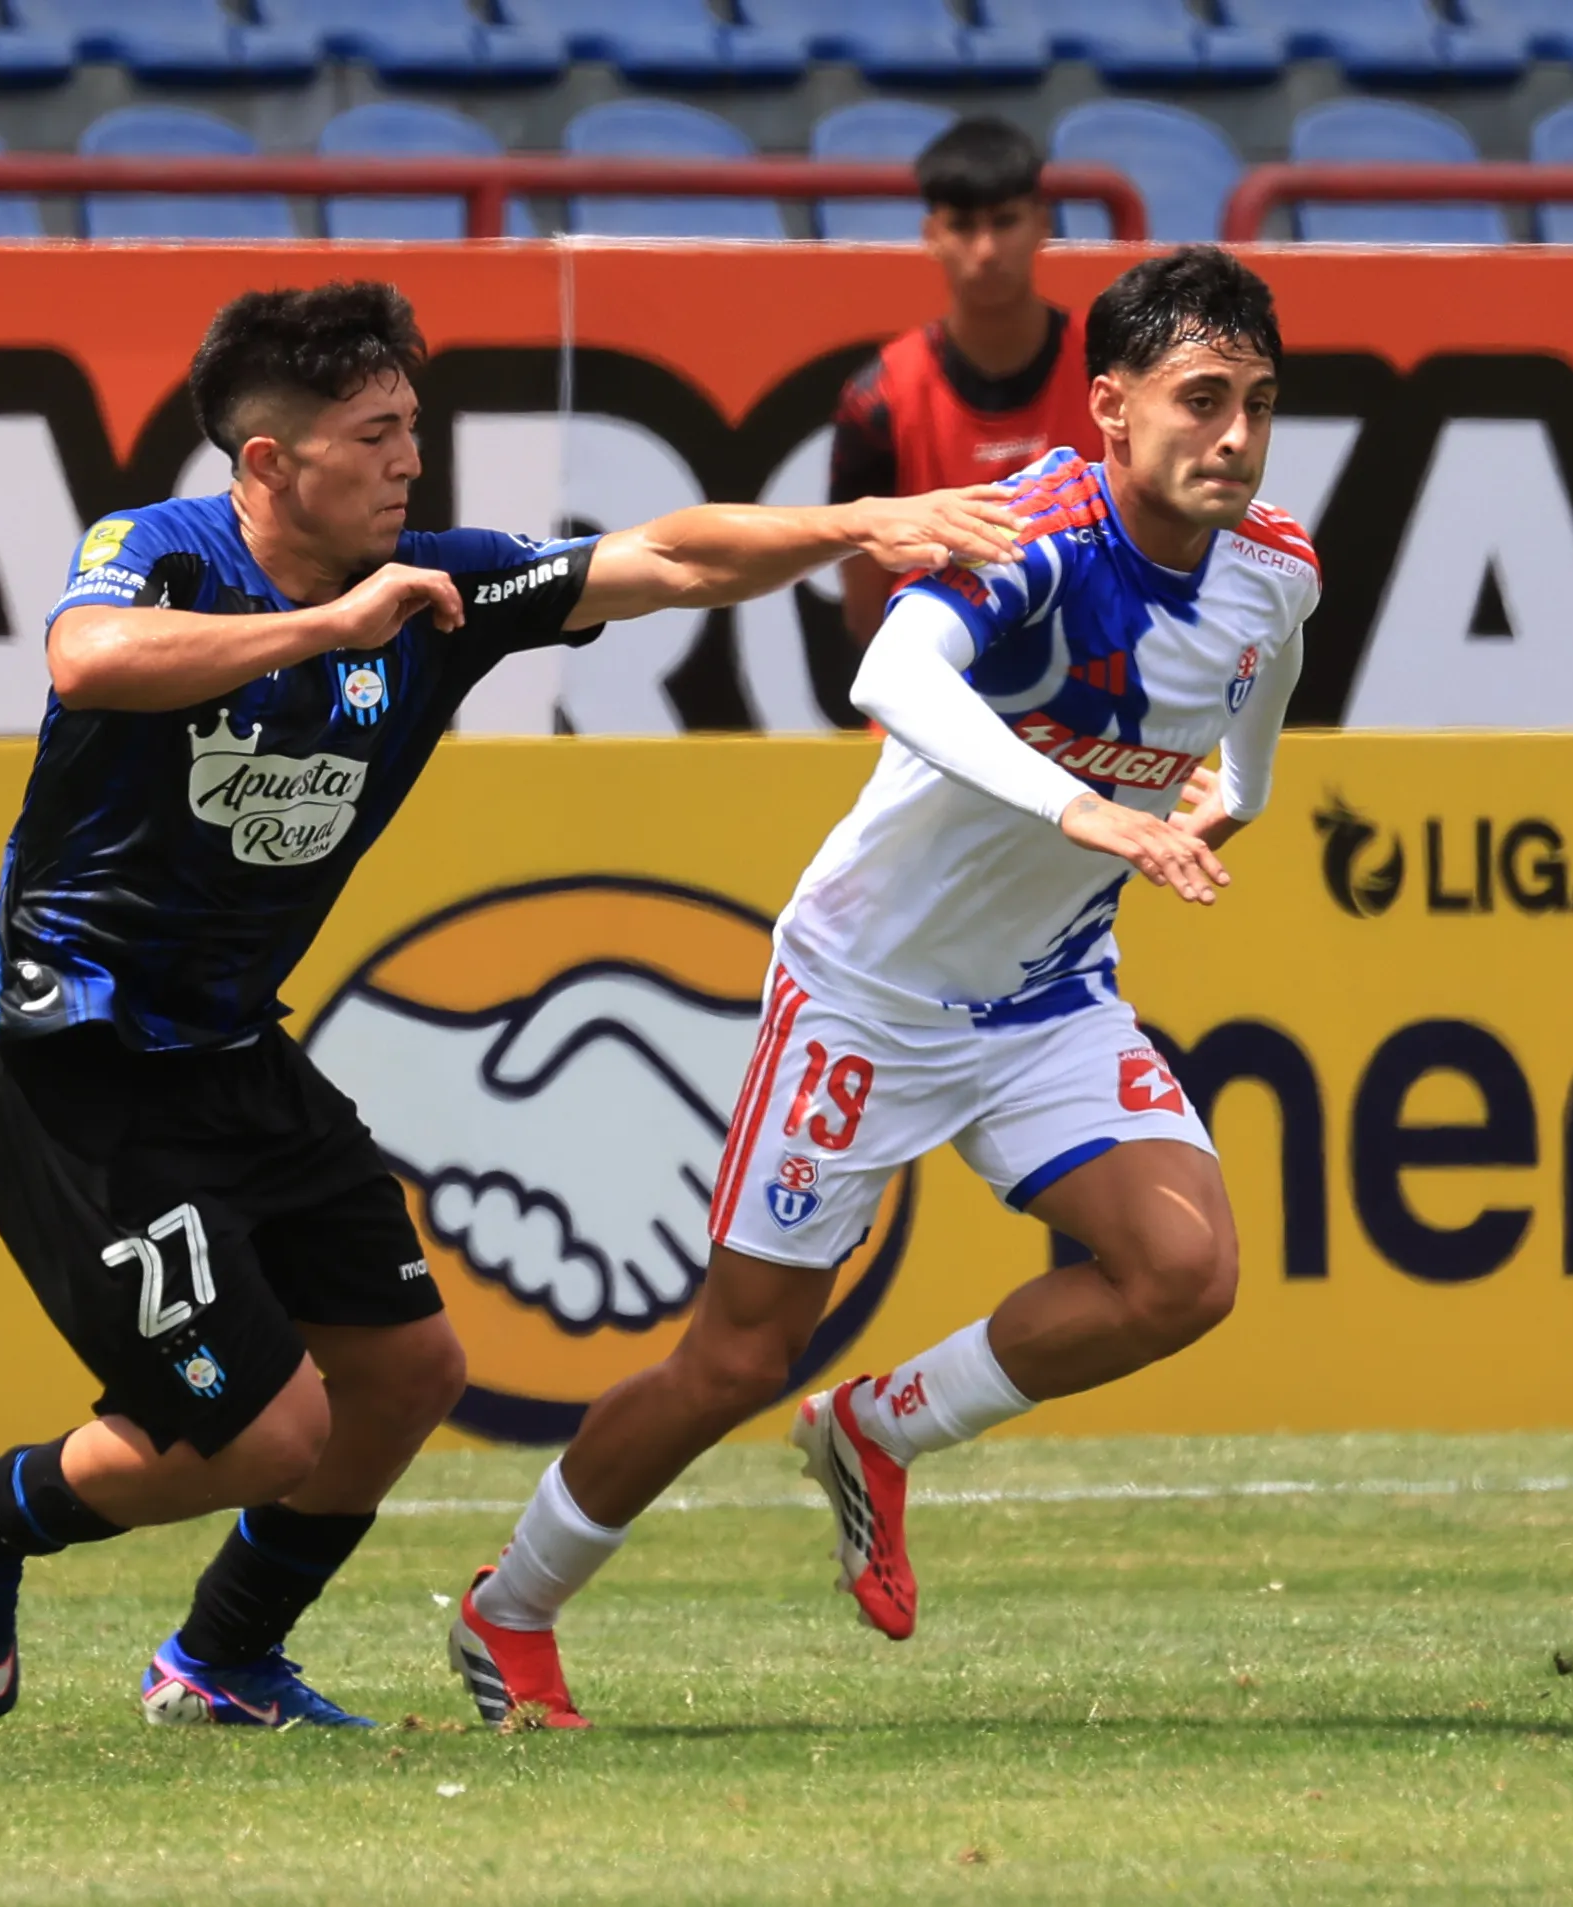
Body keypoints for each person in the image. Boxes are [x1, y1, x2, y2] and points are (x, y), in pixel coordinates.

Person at [0, 280, 1018, 1731]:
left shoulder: (442, 588)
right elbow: (84, 660)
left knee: (410, 1368)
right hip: (78, 1058)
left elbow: (666, 556)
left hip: (233, 1049)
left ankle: (222, 1657)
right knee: (265, 1429)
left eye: (413, 428)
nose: (410, 460)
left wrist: (862, 526)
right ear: (267, 464)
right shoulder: (159, 553)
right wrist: (328, 627)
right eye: (373, 434)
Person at [449, 246, 1317, 1729]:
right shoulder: (1035, 534)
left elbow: (1259, 703)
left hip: (1044, 997)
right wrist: (1088, 810)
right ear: (1110, 409)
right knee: (732, 1353)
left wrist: (1223, 798)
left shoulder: (1274, 565)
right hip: (863, 991)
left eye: (1257, 402)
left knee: (1187, 1274)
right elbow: (893, 680)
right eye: (1200, 398)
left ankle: (877, 1426)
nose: (1233, 435)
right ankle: (506, 1607)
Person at [828, 115, 1104, 645]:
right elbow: (866, 612)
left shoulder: (1112, 364)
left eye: (1004, 222)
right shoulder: (878, 398)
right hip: (931, 693)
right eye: (962, 226)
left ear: (1043, 223)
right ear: (931, 234)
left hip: (1094, 694)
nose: (985, 250)